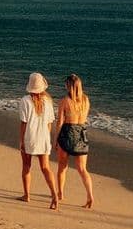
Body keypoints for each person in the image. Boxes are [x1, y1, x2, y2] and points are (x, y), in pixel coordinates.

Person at [18, 72, 58, 209]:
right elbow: (49, 123)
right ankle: (54, 194)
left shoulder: (25, 100)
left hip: (30, 136)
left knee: (26, 166)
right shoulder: (48, 101)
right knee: (46, 168)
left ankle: (27, 195)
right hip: (43, 137)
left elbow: (24, 122)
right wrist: (47, 136)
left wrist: (21, 140)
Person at [54, 73, 94, 209]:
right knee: (83, 169)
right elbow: (84, 118)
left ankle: (60, 193)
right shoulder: (86, 100)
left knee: (62, 166)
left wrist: (55, 140)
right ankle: (89, 195)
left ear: (69, 86)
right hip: (81, 133)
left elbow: (59, 122)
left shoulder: (65, 101)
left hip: (67, 132)